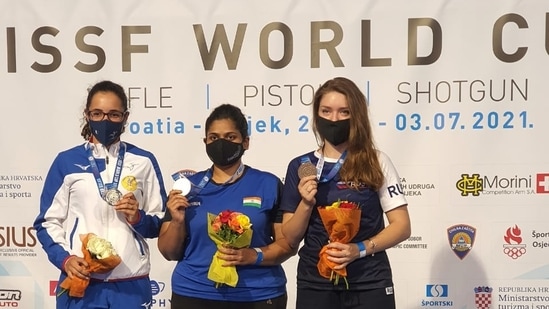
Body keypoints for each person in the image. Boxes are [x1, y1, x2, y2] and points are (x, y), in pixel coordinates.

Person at [33, 80, 168, 309]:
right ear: (87, 115)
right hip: (81, 279)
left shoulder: (144, 161)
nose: (105, 121)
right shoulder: (66, 162)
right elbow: (47, 222)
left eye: (114, 115)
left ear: (125, 117)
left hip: (131, 283)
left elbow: (160, 222)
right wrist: (65, 260)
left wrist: (138, 218)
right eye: (97, 113)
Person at [280, 77, 411, 309]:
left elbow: (402, 226)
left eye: (344, 112)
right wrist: (306, 203)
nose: (334, 119)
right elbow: (289, 238)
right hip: (316, 282)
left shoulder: (376, 161)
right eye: (326, 111)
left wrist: (358, 249)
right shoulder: (302, 166)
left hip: (369, 282)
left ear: (357, 116)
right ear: (316, 115)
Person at [158, 103, 295, 309]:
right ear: (205, 141)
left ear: (246, 142)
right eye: (213, 138)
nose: (221, 143)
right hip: (194, 293)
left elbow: (286, 245)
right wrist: (177, 221)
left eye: (231, 137)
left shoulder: (269, 184)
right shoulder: (187, 187)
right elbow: (169, 252)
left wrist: (253, 255)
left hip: (258, 295)